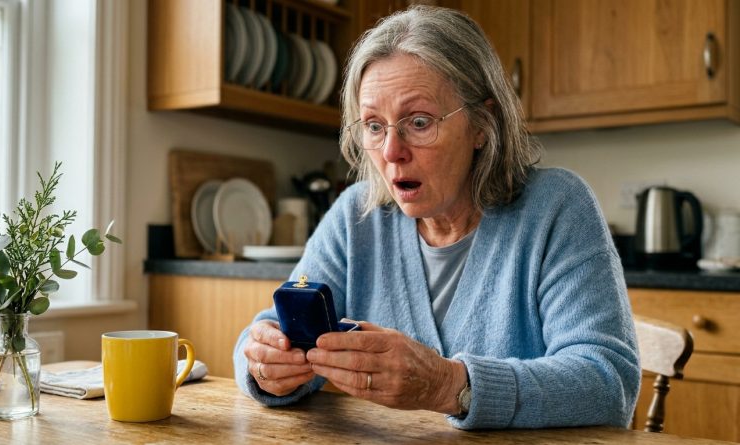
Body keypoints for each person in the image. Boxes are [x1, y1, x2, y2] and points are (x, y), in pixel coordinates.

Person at [233, 5, 640, 430]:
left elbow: (608, 383)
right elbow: (268, 329)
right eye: (374, 126)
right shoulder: (357, 214)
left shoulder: (557, 207)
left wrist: (448, 386)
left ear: (483, 123)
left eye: (420, 122)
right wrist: (266, 367)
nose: (391, 152)